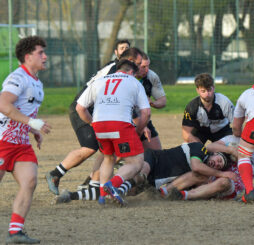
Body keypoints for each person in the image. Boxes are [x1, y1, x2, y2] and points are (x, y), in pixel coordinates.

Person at [45, 46, 142, 196]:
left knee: (106, 152)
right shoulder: (116, 72)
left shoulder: (115, 69)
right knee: (91, 148)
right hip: (85, 110)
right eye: (139, 63)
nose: (141, 67)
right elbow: (116, 97)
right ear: (130, 62)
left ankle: (94, 185)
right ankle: (56, 174)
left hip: (95, 113)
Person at [55, 142, 236, 204]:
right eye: (218, 159)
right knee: (138, 176)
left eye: (219, 165)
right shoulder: (200, 149)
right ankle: (114, 185)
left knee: (128, 190)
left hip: (155, 180)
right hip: (154, 158)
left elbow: (199, 176)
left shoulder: (205, 174)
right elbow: (197, 166)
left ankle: (71, 195)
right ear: (213, 153)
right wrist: (223, 172)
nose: (216, 163)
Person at [76, 59, 150, 206]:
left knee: (108, 158)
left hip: (99, 125)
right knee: (136, 161)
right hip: (120, 124)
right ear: (131, 72)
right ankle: (112, 184)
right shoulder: (133, 82)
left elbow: (80, 108)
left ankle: (103, 196)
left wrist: (93, 123)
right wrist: (138, 131)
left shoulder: (98, 81)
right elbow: (146, 113)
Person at [0, 36, 51, 244]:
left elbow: (22, 110)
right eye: (40, 53)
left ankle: (15, 232)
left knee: (29, 181)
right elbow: (3, 105)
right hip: (3, 140)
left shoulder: (37, 82)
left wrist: (33, 129)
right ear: (28, 57)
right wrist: (32, 122)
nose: (45, 56)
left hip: (21, 144)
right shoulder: (17, 77)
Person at [162, 136, 254, 202]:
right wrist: (231, 150)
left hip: (230, 187)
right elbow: (208, 147)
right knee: (198, 172)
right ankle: (165, 191)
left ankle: (184, 195)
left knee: (225, 182)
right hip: (214, 176)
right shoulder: (234, 140)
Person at [182, 73, 234, 144]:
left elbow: (237, 125)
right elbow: (186, 133)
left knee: (233, 146)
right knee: (187, 146)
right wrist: (197, 146)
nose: (207, 94)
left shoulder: (224, 102)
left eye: (209, 90)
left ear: (213, 87)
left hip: (222, 131)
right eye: (203, 91)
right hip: (201, 131)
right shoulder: (192, 106)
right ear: (197, 90)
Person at [135, 52, 166, 150]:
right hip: (125, 120)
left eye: (148, 66)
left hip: (143, 119)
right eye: (143, 66)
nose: (147, 70)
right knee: (115, 156)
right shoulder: (126, 78)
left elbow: (162, 101)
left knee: (157, 154)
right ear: (135, 65)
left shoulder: (151, 76)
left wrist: (152, 102)